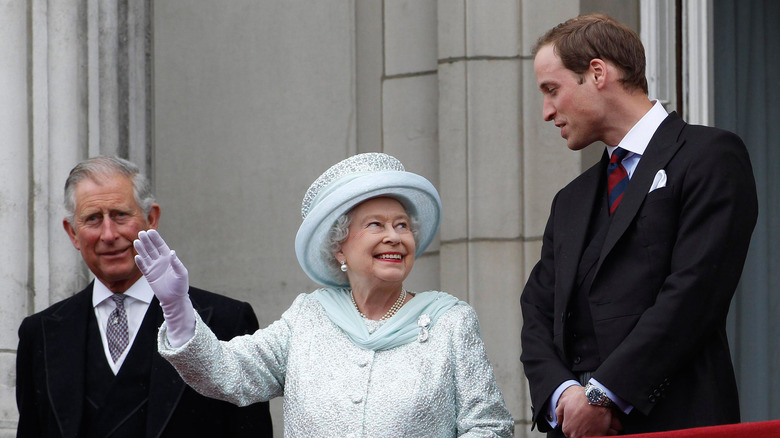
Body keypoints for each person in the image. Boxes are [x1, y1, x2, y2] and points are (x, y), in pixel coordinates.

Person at [132, 152, 514, 437]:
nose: (394, 236)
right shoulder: (307, 318)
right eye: (375, 225)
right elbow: (227, 374)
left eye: (402, 225)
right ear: (339, 247)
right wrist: (177, 306)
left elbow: (489, 425)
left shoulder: (451, 322)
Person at [519, 13, 758, 438]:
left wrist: (603, 395)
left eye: (551, 90)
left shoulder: (710, 156)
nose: (546, 111)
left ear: (597, 73)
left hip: (680, 423)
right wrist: (565, 398)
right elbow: (537, 311)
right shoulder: (570, 200)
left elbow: (694, 292)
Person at [16, 156, 273, 438]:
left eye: (120, 215)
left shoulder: (226, 322)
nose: (109, 234)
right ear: (73, 233)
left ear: (151, 219)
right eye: (92, 219)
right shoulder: (39, 333)